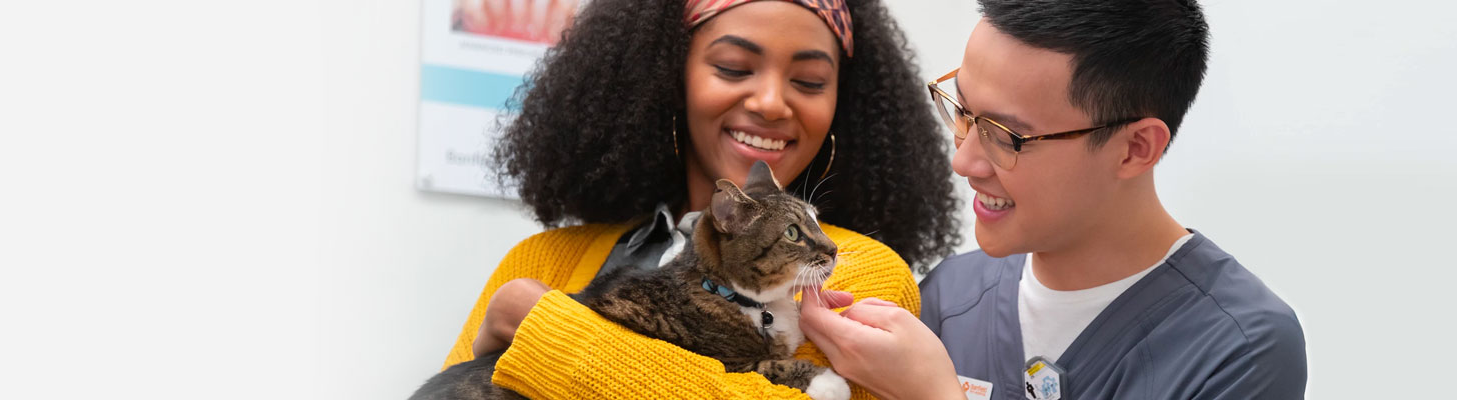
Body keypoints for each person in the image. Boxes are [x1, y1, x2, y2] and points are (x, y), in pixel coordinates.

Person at [440, 0, 962, 398]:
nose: (770, 102)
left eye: (808, 80)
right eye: (734, 67)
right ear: (669, 80)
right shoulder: (540, 261)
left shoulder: (859, 277)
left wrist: (545, 327)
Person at [800, 0, 1308, 399]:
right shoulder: (946, 300)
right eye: (963, 112)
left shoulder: (1240, 349)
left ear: (1135, 149)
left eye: (1006, 136)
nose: (965, 162)